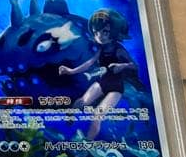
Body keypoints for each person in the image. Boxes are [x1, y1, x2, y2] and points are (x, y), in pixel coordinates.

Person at [58, 9, 137, 139]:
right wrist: (70, 71)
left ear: (114, 31)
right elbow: (89, 63)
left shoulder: (119, 50)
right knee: (81, 103)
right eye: (96, 32)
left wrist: (122, 66)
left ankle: (88, 143)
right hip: (102, 82)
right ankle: (70, 120)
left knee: (97, 116)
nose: (100, 36)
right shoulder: (102, 48)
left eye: (105, 32)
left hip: (116, 88)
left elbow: (133, 65)